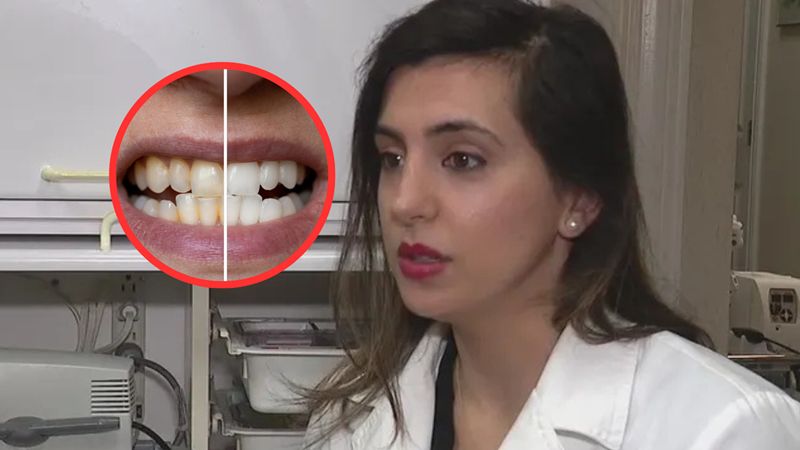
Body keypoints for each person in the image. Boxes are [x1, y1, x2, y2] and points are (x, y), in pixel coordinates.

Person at [302, 0, 800, 448]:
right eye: (391, 158)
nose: (405, 202)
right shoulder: (350, 420)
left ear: (579, 198)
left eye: (462, 160)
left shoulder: (723, 429)